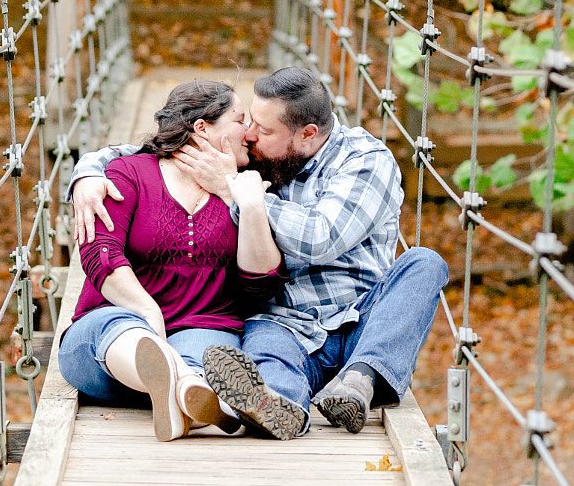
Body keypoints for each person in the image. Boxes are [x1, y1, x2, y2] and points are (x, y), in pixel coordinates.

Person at [70, 66, 447, 441]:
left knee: (425, 263)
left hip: (364, 318)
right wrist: (87, 169)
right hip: (287, 322)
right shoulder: (264, 157)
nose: (250, 134)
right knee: (265, 363)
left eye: (263, 129)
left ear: (307, 134)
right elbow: (158, 148)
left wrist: (235, 191)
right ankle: (276, 413)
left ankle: (359, 381)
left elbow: (320, 237)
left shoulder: (363, 160)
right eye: (247, 120)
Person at [59, 80, 286, 442]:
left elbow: (260, 285)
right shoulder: (130, 173)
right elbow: (100, 253)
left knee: (210, 361)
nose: (251, 132)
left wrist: (249, 203)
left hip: (203, 328)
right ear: (202, 128)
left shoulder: (248, 185)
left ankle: (182, 396)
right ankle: (183, 388)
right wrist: (148, 314)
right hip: (110, 340)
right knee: (123, 330)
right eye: (240, 119)